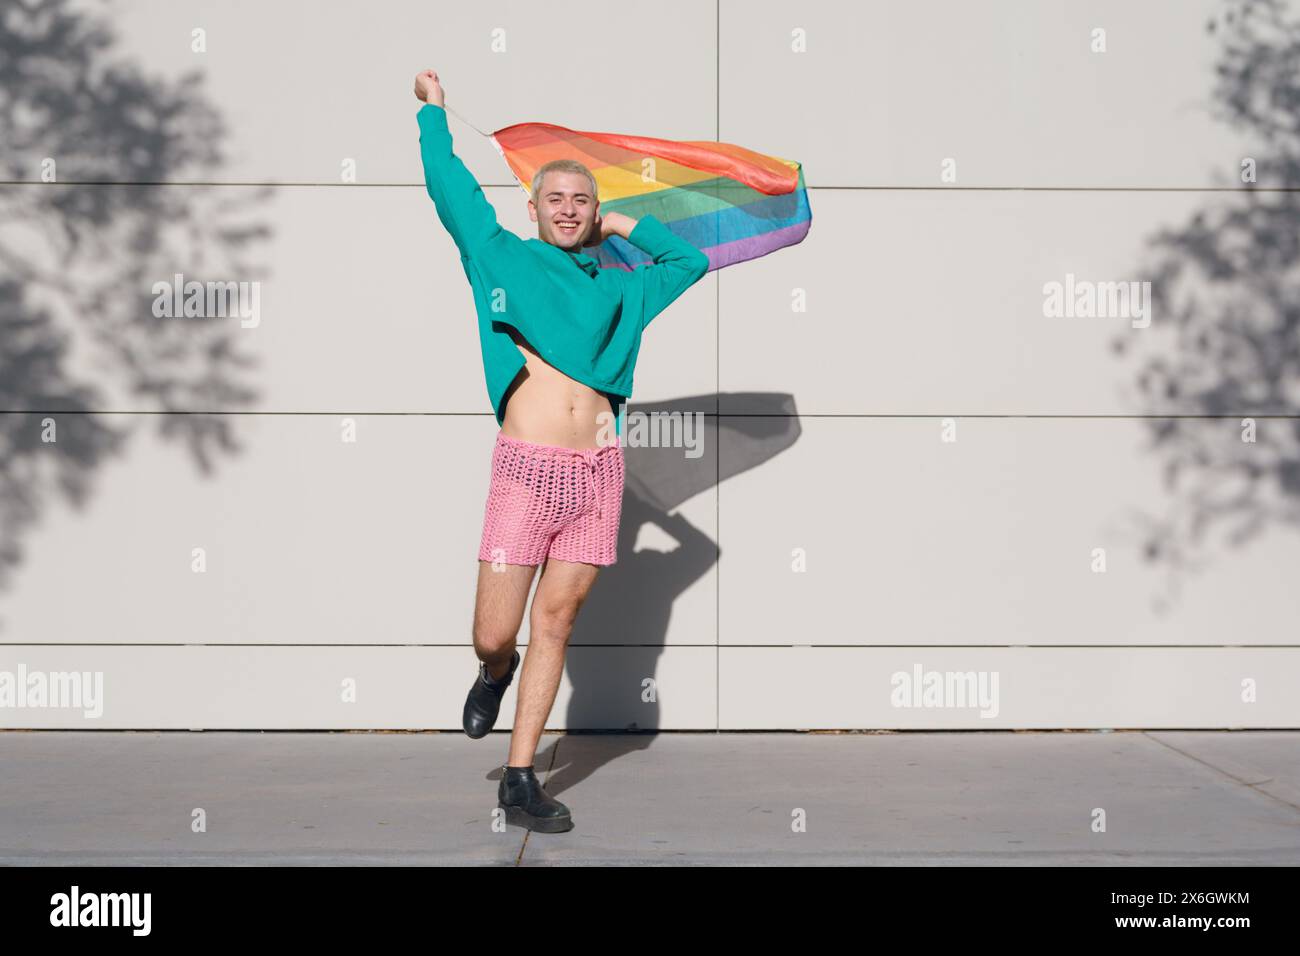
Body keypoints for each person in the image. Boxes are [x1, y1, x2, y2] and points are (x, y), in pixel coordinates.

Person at [412, 69, 709, 833]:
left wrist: (624, 230)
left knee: (559, 622)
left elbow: (690, 262)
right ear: (535, 207)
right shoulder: (501, 257)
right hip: (526, 471)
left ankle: (519, 779)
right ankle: (495, 670)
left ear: (594, 210)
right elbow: (451, 191)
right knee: (494, 631)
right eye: (556, 199)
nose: (569, 209)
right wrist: (435, 114)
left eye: (582, 200)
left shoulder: (622, 288)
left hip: (597, 474)